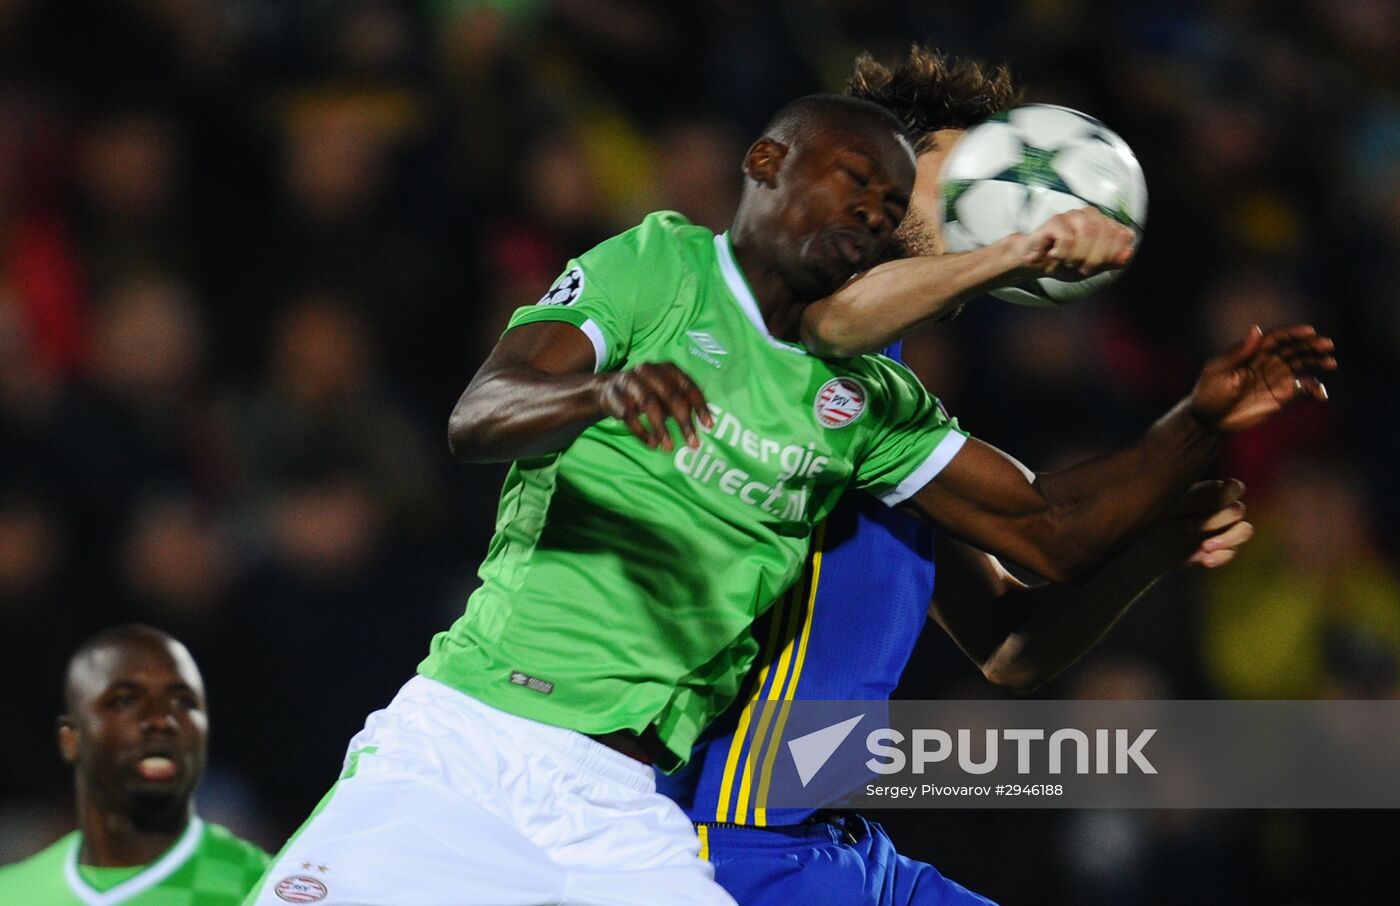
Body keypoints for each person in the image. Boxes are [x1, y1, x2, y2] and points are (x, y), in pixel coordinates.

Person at [248, 92, 1331, 906]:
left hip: (633, 804)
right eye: (897, 180)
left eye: (900, 191)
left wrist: (1188, 427)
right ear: (769, 163)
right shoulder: (662, 268)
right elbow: (480, 410)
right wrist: (601, 390)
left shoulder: (874, 410)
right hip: (500, 745)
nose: (899, 204)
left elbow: (1034, 560)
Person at [657, 48, 1304, 906]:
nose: (986, 203)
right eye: (953, 173)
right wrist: (1196, 422)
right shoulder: (786, 348)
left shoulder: (894, 406)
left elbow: (1010, 645)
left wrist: (1154, 549)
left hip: (834, 844)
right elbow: (1052, 528)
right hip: (728, 842)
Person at [0, 624, 270, 905]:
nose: (161, 720)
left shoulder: (265, 887)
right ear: (71, 739)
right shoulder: (11, 894)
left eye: (183, 701)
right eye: (125, 700)